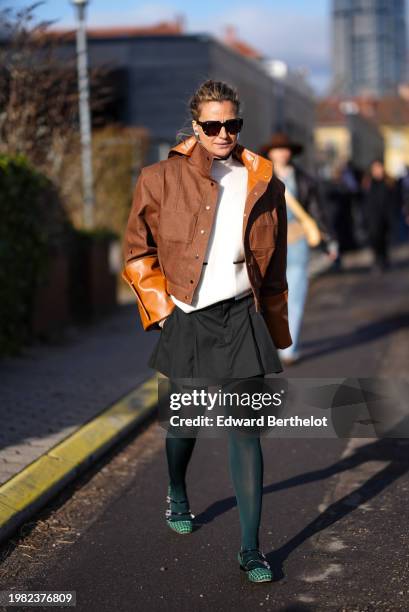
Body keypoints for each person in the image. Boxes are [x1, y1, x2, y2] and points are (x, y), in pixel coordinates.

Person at [122, 80, 292, 584]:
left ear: (239, 125)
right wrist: (165, 311)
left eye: (231, 125)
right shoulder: (158, 178)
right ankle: (177, 488)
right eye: (213, 125)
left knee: (245, 431)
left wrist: (274, 320)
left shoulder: (262, 180)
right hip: (188, 313)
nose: (223, 133)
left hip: (242, 314)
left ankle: (251, 549)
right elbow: (136, 251)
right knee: (185, 421)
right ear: (196, 126)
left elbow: (274, 263)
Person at [259, 133, 336, 366]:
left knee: (296, 296)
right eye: (277, 149)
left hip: (297, 242)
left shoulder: (304, 179)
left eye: (285, 149)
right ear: (270, 153)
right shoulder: (258, 178)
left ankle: (288, 350)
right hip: (268, 245)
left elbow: (316, 212)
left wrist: (328, 241)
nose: (282, 153)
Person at [362, 159, 399, 273]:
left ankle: (384, 260)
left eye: (379, 168)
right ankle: (377, 260)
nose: (377, 171)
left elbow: (395, 200)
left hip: (386, 217)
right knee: (374, 240)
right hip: (373, 217)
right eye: (375, 168)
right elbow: (364, 201)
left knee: (384, 240)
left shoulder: (390, 183)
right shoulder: (367, 183)